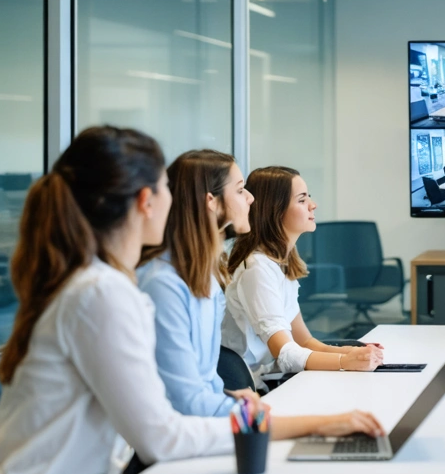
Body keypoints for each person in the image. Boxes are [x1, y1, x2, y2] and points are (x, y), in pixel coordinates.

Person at [0, 126, 383, 474]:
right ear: (148, 200)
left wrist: (256, 414)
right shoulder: (106, 293)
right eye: (168, 189)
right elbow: (164, 435)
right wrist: (308, 424)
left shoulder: (98, 284)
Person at [139, 149, 384, 437]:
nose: (250, 199)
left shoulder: (207, 277)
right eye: (241, 190)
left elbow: (209, 387)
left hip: (222, 415)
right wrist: (320, 420)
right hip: (202, 430)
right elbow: (190, 403)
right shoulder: (169, 284)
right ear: (211, 202)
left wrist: (348, 355)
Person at [223, 166, 384, 382]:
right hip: (251, 388)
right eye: (301, 200)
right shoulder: (257, 269)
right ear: (275, 210)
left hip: (270, 377)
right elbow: (285, 352)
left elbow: (305, 341)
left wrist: (351, 353)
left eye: (309, 197)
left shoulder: (281, 262)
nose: (312, 205)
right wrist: (345, 362)